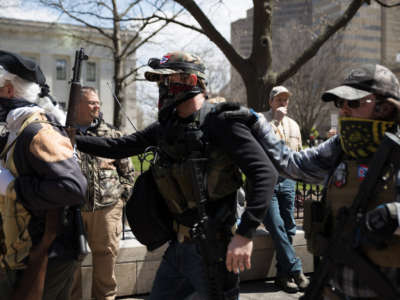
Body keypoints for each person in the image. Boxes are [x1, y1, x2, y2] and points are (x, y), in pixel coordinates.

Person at [75, 51, 278, 300]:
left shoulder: (221, 122)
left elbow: (265, 173)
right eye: (160, 82)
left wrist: (245, 234)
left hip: (214, 248)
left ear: (190, 81)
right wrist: (72, 138)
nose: (162, 88)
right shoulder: (168, 128)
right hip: (178, 247)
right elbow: (119, 146)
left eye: (167, 81)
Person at [246, 63, 400, 299]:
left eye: (354, 102)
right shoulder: (340, 147)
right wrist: (256, 124)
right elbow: (292, 164)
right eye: (341, 103)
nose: (344, 110)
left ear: (385, 107)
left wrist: (393, 214)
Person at [0, 50, 87, 300]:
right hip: (23, 249)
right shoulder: (16, 129)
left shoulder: (38, 132)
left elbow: (72, 187)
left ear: (7, 90)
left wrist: (13, 187)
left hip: (47, 252)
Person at [70, 86, 135, 300]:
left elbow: (128, 172)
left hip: (107, 210)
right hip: (72, 211)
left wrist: (120, 200)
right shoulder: (64, 135)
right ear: (77, 105)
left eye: (97, 102)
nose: (97, 106)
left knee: (106, 264)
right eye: (91, 102)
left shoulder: (113, 135)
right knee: (70, 264)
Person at [261, 86, 308, 293]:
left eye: (285, 100)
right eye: (279, 99)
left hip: (289, 180)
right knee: (276, 224)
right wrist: (276, 121)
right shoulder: (261, 121)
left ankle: (282, 276)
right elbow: (261, 145)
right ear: (270, 101)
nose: (283, 103)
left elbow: (298, 154)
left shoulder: (295, 125)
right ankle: (297, 269)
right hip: (267, 181)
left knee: (289, 226)